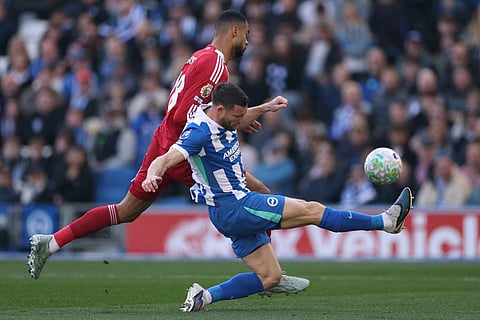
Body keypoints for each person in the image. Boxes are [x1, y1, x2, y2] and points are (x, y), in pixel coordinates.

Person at [28, 10, 308, 295]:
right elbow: (189, 115)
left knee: (126, 211)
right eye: (246, 34)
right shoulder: (216, 67)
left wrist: (247, 115)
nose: (248, 42)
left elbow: (203, 112)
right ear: (234, 31)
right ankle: (271, 276)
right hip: (185, 151)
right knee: (253, 191)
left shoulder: (201, 56)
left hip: (163, 140)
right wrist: (244, 116)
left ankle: (50, 242)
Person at [140, 82, 413, 312]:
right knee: (312, 210)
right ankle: (386, 222)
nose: (240, 123)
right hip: (236, 206)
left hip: (227, 211)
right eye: (237, 117)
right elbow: (166, 158)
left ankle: (204, 297)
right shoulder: (198, 132)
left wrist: (264, 108)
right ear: (220, 110)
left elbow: (227, 153)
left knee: (269, 277)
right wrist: (154, 173)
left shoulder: (216, 116)